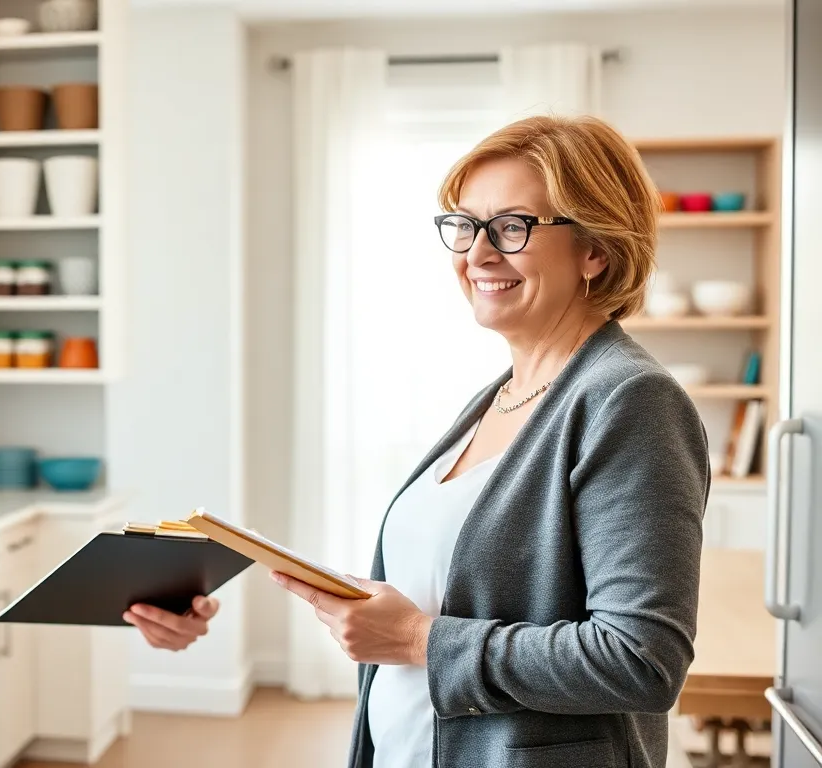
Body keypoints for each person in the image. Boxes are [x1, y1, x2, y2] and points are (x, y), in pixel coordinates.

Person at [124, 114, 711, 768]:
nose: (476, 254)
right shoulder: (499, 395)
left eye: (512, 227)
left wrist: (414, 640)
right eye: (465, 226)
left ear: (595, 249)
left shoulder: (629, 401)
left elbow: (639, 662)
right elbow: (444, 589)